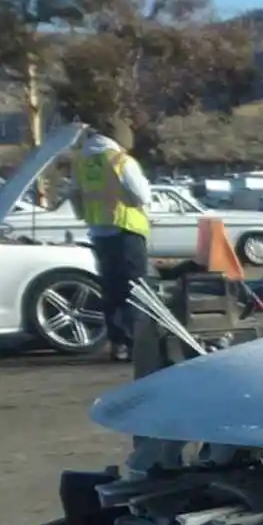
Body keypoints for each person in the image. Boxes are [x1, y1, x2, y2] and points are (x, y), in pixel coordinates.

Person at [70, 125, 152, 361]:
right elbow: (142, 196)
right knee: (134, 289)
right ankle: (137, 342)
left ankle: (118, 344)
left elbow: (74, 195)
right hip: (127, 230)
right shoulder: (120, 160)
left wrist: (89, 216)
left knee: (111, 290)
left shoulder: (81, 163)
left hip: (99, 233)